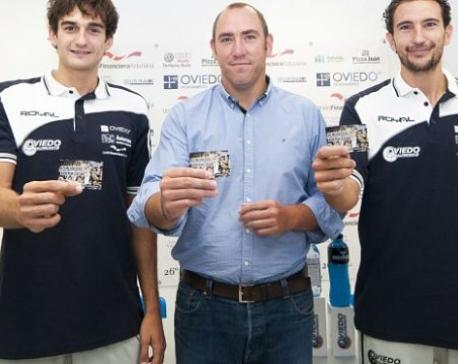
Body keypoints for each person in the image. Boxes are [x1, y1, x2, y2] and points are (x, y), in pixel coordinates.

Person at [313, 1, 458, 363]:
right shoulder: (360, 108)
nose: (418, 38)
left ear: (447, 32)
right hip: (391, 318)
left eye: (429, 25)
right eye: (405, 28)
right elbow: (347, 192)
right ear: (390, 38)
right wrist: (334, 187)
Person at [127, 2, 342, 363]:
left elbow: (331, 203)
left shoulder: (305, 116)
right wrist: (165, 204)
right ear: (213, 48)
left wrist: (291, 217)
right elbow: (145, 203)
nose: (238, 49)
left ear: (268, 44)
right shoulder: (184, 118)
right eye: (226, 39)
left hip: (287, 309)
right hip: (204, 311)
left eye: (249, 37)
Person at [0, 0, 165, 362]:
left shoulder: (134, 108)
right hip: (25, 321)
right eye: (70, 27)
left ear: (109, 41)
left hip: (113, 322)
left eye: (93, 29)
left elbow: (140, 217)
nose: (81, 39)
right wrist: (18, 209)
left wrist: (151, 309)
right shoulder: (8, 99)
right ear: (52, 34)